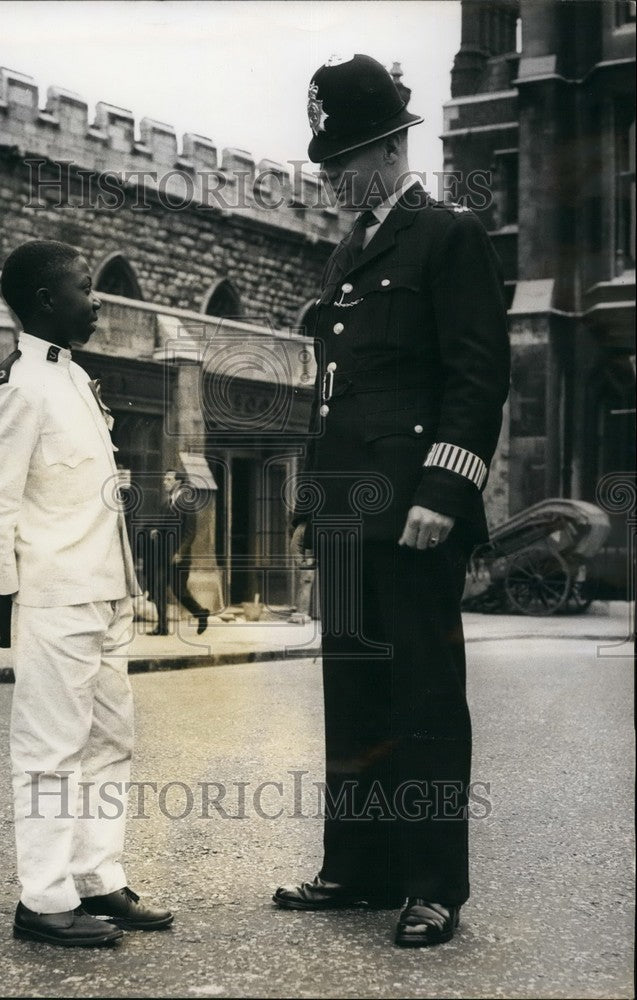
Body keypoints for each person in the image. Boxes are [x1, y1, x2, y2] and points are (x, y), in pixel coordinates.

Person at [273, 55, 510, 947]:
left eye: (339, 161)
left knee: (421, 697)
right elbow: (332, 390)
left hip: (414, 513)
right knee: (355, 693)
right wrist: (312, 502)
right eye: (326, 162)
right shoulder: (347, 249)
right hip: (348, 514)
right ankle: (359, 867)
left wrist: (444, 490)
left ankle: (430, 885)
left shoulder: (448, 237)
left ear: (384, 148)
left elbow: (477, 376)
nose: (329, 177)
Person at [0, 240, 173, 947]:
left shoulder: (74, 379)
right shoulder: (19, 383)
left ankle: (99, 878)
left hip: (105, 593)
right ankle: (44, 898)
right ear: (47, 302)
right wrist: (4, 592)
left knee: (111, 741)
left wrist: (127, 590)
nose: (97, 298)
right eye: (86, 288)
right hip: (53, 596)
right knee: (50, 750)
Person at [145, 469, 209, 636]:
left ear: (178, 482)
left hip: (178, 557)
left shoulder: (187, 501)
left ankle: (201, 613)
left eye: (168, 479)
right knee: (158, 589)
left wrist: (180, 552)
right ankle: (162, 627)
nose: (165, 481)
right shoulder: (166, 502)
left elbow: (190, 532)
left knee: (179, 591)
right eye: (164, 478)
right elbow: (165, 526)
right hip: (163, 555)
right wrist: (156, 531)